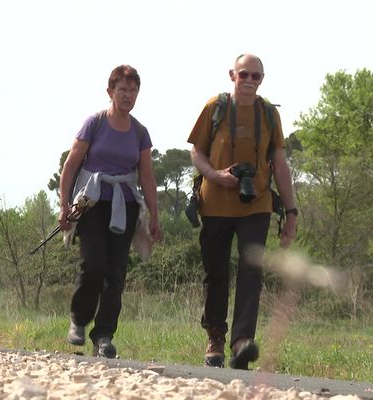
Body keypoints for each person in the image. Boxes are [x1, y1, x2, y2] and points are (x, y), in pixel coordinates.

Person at [187, 54, 297, 369]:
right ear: (232, 75)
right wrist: (216, 175)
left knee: (252, 271)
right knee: (216, 273)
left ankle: (242, 343)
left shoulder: (268, 114)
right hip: (216, 202)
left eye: (256, 77)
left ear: (262, 79)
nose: (249, 81)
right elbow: (196, 150)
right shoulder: (215, 107)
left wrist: (291, 213)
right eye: (244, 75)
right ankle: (215, 340)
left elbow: (279, 163)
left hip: (257, 203)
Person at [58, 65, 162, 358]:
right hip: (91, 203)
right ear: (110, 92)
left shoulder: (140, 132)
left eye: (133, 90)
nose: (128, 95)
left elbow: (147, 177)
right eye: (123, 90)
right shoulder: (95, 123)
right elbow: (71, 164)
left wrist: (154, 217)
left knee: (116, 272)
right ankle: (79, 319)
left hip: (125, 205)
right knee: (93, 265)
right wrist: (64, 205)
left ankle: (103, 335)